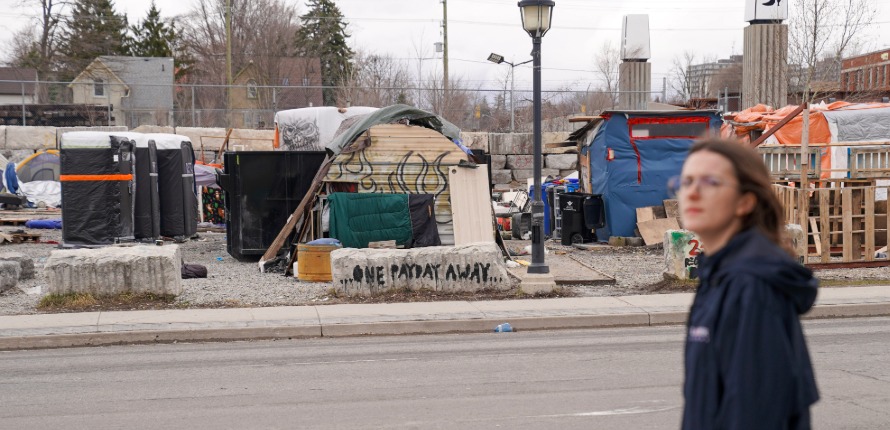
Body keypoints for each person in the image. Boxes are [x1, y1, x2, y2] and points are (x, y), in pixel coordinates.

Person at [672, 138, 819, 429]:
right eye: (686, 181)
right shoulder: (719, 274)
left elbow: (754, 411)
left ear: (745, 202)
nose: (693, 192)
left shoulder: (751, 284)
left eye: (710, 182)